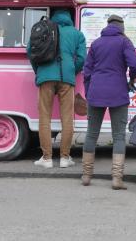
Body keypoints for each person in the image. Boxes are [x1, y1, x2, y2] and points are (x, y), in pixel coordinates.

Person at [81, 14, 136, 189]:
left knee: (92, 134)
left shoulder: (96, 43)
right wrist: (132, 78)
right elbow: (134, 63)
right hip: (118, 92)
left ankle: (86, 175)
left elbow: (87, 70)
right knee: (119, 136)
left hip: (96, 92)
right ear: (121, 27)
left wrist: (89, 91)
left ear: (107, 26)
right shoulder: (124, 42)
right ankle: (116, 178)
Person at [27, 10, 86, 169]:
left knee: (44, 117)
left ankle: (46, 158)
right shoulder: (77, 34)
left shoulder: (44, 28)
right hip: (67, 77)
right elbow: (82, 58)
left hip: (45, 75)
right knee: (67, 117)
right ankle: (65, 158)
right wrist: (72, 71)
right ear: (70, 19)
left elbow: (30, 52)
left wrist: (38, 71)